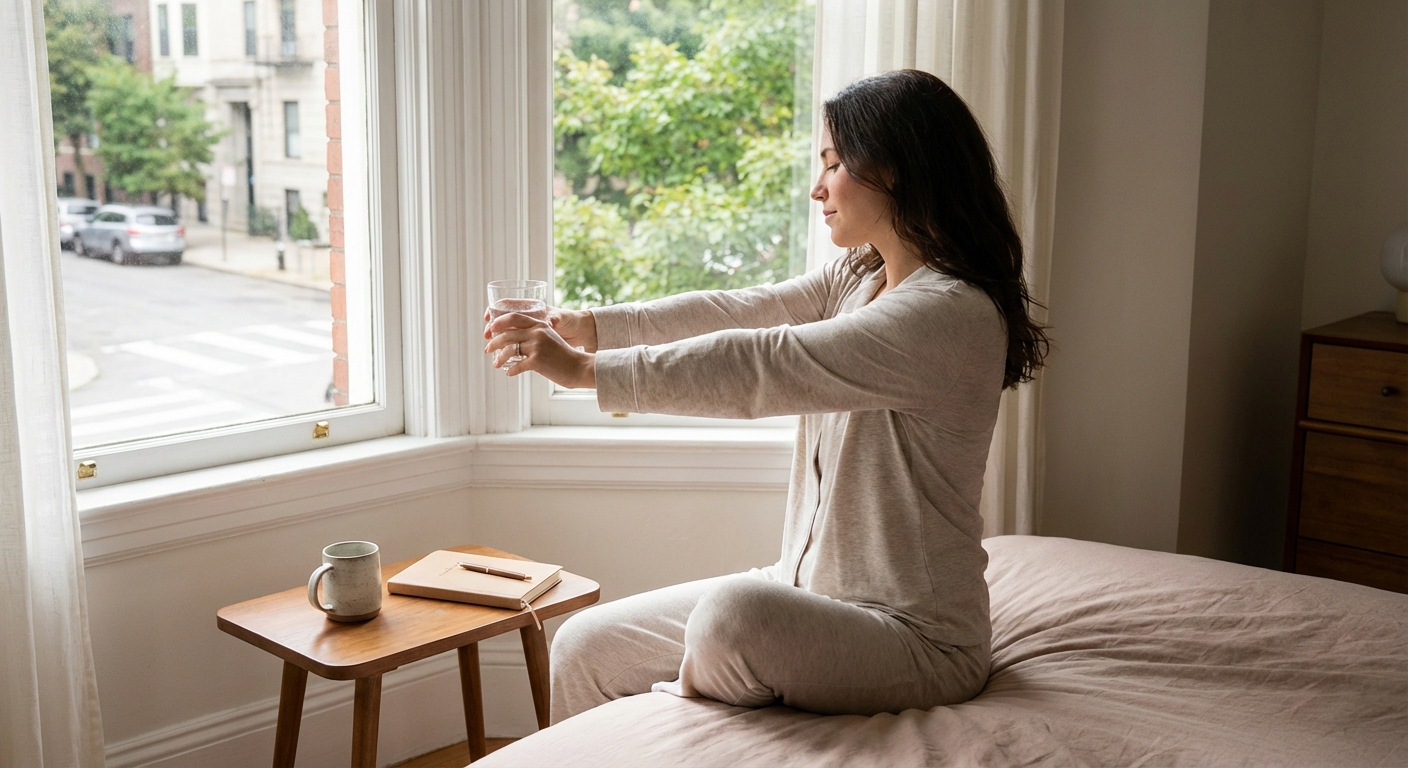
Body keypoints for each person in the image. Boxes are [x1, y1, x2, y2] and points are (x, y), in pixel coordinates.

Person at [483, 69, 1048, 723]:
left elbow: (768, 362)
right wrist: (594, 327)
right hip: (805, 591)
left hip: (916, 640)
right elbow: (744, 312)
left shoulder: (951, 314)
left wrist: (588, 372)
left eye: (834, 164)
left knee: (731, 619)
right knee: (585, 645)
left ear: (893, 170)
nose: (818, 189)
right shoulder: (860, 276)